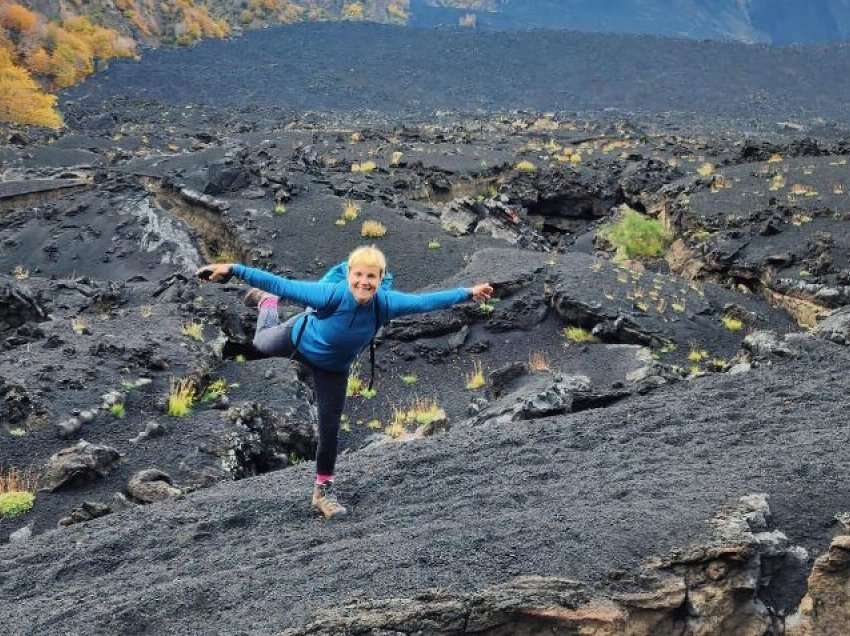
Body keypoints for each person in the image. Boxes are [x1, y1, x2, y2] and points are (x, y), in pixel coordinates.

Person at [197, 245, 493, 519]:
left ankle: (323, 493)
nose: (364, 282)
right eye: (358, 275)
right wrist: (234, 269)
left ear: (380, 279)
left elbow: (426, 302)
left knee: (330, 429)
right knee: (260, 342)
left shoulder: (387, 304)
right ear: (349, 275)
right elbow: (282, 284)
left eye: (371, 277)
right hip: (296, 340)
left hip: (333, 370)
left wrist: (469, 293)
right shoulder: (331, 294)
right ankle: (266, 304)